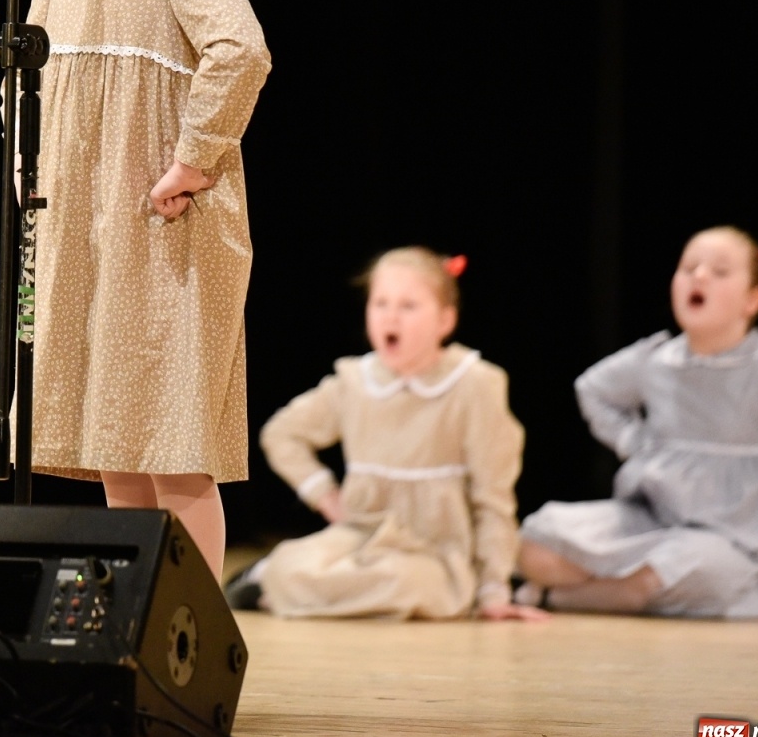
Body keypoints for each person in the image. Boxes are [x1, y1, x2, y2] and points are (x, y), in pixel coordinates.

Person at [24, 0, 270, 578]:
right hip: (85, 221)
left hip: (167, 222)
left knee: (172, 441)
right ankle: (131, 625)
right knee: (115, 438)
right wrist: (27, 164)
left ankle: (190, 635)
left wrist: (194, 161)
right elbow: (33, 76)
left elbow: (241, 52)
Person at [517, 227, 758, 617]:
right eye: (689, 268)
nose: (699, 277)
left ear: (752, 299)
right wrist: (637, 442)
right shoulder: (658, 359)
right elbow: (593, 390)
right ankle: (611, 592)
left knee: (679, 569)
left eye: (719, 272)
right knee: (536, 542)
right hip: (653, 521)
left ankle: (562, 598)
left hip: (733, 541)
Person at [225, 248, 542, 619]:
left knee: (407, 582)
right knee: (289, 568)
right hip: (360, 539)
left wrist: (494, 592)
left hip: (434, 553)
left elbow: (494, 499)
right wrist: (325, 495)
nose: (391, 316)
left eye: (408, 306)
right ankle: (278, 580)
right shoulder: (356, 381)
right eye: (380, 303)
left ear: (445, 320)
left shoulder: (474, 385)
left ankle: (294, 594)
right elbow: (282, 434)